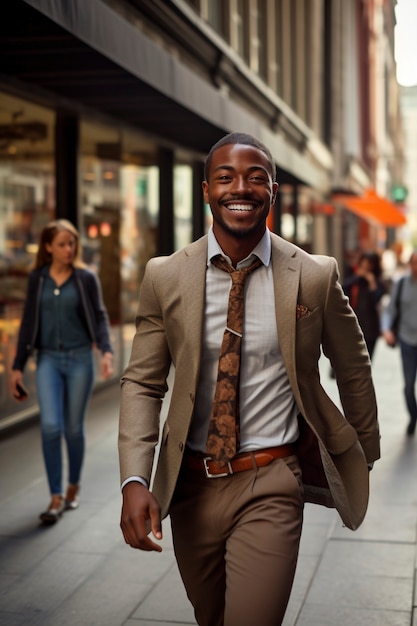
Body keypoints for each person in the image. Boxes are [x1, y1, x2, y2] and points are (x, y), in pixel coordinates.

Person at [118, 132, 380, 626]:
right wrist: (135, 477)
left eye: (256, 177)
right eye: (226, 177)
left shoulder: (314, 276)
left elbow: (352, 364)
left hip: (272, 481)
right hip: (190, 488)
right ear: (207, 191)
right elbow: (143, 382)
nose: (241, 187)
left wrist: (361, 451)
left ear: (273, 192)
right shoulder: (165, 276)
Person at [10, 219, 114, 524]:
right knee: (51, 427)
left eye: (72, 244)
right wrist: (17, 366)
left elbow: (100, 315)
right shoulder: (37, 279)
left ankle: (73, 487)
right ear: (48, 247)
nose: (69, 249)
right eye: (62, 244)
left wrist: (106, 351)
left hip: (81, 358)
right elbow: (29, 321)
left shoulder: (85, 279)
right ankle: (55, 495)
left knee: (73, 429)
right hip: (48, 361)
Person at [382, 250, 417, 436]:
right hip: (407, 340)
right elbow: (389, 310)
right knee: (409, 384)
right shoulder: (401, 283)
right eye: (415, 263)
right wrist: (387, 329)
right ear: (410, 264)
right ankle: (413, 415)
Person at [342, 251, 385, 360]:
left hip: (370, 328)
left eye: (369, 264)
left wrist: (372, 283)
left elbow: (377, 299)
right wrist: (356, 277)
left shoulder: (377, 281)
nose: (366, 267)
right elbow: (342, 290)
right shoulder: (353, 278)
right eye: (364, 263)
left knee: (367, 360)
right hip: (353, 324)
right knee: (351, 359)